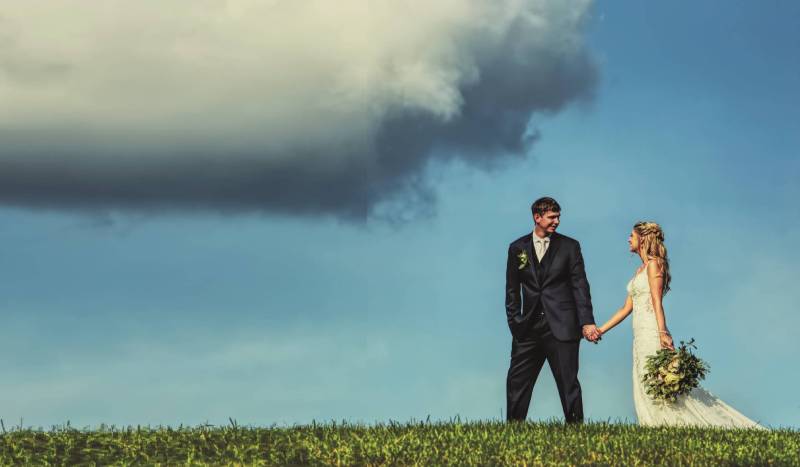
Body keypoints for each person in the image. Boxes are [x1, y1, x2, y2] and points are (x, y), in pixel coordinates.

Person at [597, 221, 765, 428]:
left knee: (658, 379)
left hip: (651, 329)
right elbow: (625, 308)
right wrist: (600, 330)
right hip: (638, 334)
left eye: (631, 235)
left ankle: (675, 423)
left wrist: (662, 331)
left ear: (642, 238)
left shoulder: (654, 265)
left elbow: (657, 301)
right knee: (644, 378)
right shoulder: (639, 270)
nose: (628, 239)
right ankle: (654, 424)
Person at [505, 197, 600, 423]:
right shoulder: (517, 248)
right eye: (552, 217)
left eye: (558, 217)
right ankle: (513, 430)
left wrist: (586, 321)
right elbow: (511, 290)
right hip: (527, 328)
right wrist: (515, 322)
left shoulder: (570, 246)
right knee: (517, 381)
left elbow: (580, 286)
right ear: (537, 218)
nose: (557, 221)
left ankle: (575, 429)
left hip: (562, 326)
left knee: (568, 382)